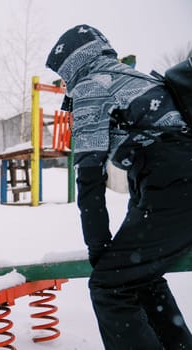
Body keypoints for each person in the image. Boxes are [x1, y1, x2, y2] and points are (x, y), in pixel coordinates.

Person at [46, 24, 192, 349]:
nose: (65, 83)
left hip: (174, 185)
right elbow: (156, 154)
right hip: (175, 183)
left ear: (72, 65)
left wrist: (98, 247)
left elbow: (89, 177)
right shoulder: (134, 77)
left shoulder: (91, 88)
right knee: (140, 277)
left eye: (63, 74)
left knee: (109, 286)